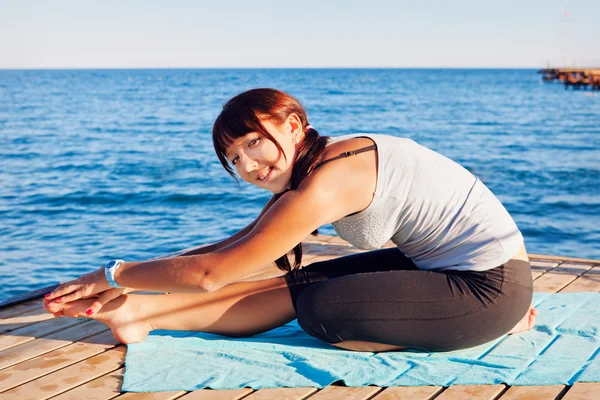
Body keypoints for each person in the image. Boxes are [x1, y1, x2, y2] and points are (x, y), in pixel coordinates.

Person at [43, 88, 537, 352]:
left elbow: (214, 275)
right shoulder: (316, 169)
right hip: (444, 272)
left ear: (294, 124)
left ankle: (499, 327)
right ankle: (140, 321)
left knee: (323, 310)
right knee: (299, 283)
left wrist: (112, 273)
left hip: (489, 290)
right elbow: (230, 249)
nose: (250, 166)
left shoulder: (331, 179)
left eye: (254, 142)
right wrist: (128, 296)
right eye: (235, 159)